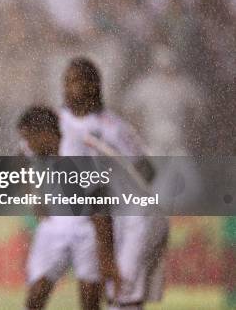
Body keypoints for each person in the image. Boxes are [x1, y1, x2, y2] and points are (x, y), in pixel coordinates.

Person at [60, 57, 169, 310]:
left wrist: (121, 185)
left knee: (124, 292)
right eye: (65, 81)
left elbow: (147, 170)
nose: (67, 87)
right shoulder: (60, 122)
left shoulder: (113, 129)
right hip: (109, 219)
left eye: (75, 81)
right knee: (116, 294)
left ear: (92, 86)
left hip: (137, 217)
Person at [18, 106, 118, 310]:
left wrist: (106, 255)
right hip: (53, 227)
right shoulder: (34, 149)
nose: (27, 144)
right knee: (35, 297)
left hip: (86, 228)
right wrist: (33, 197)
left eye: (29, 138)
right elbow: (19, 160)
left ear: (45, 134)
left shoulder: (77, 152)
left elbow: (99, 199)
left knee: (90, 300)